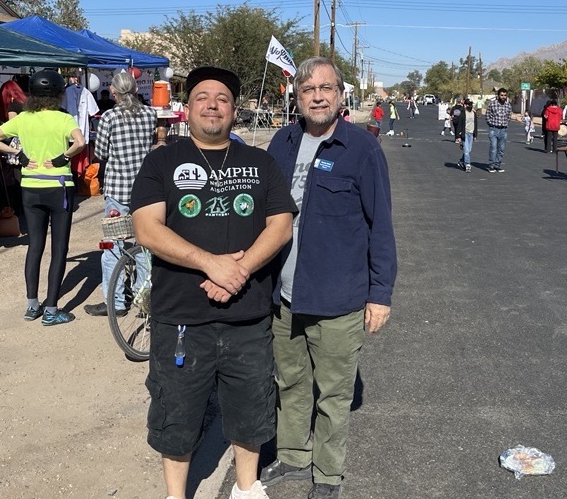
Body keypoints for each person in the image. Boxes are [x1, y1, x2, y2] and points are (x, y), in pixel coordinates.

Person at [129, 66, 296, 499]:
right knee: (176, 411)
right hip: (181, 317)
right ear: (188, 108)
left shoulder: (259, 162)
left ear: (234, 110)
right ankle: (175, 494)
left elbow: (280, 226)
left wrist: (236, 272)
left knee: (250, 407)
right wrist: (210, 264)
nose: (212, 104)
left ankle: (246, 487)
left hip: (248, 314)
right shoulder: (162, 160)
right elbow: (148, 228)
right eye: (203, 96)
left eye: (222, 98)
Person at [265, 57, 397, 499]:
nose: (318, 96)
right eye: (308, 90)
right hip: (283, 295)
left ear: (340, 95)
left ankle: (327, 475)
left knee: (334, 395)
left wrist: (380, 294)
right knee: (291, 383)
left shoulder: (362, 149)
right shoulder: (281, 143)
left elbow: (381, 225)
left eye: (326, 88)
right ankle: (293, 456)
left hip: (339, 297)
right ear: (297, 96)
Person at [0, 69, 86, 326]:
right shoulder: (64, 119)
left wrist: (19, 155)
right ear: (59, 94)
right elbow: (80, 142)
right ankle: (51, 309)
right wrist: (63, 158)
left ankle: (32, 305)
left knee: (35, 245)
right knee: (59, 248)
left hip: (30, 187)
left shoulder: (23, 119)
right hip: (59, 186)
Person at [83, 71, 157, 317]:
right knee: (145, 244)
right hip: (145, 190)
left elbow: (101, 153)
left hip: (117, 190)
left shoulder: (109, 117)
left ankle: (115, 302)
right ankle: (142, 298)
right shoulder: (150, 114)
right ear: (136, 90)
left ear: (113, 92)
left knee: (113, 246)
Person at [484, 88, 512, 173]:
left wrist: (506, 123)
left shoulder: (508, 105)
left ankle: (497, 165)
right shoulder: (493, 104)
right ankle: (491, 165)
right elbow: (487, 115)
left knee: (501, 148)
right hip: (494, 129)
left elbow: (509, 116)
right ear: (498, 95)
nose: (503, 97)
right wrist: (491, 124)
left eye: (505, 95)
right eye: (501, 95)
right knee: (493, 147)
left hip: (503, 129)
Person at [457, 98, 477, 172]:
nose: (469, 105)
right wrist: (458, 136)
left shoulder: (474, 113)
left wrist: (475, 135)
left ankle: (462, 161)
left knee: (469, 150)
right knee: (466, 150)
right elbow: (459, 125)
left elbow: (475, 124)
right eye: (468, 104)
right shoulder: (462, 113)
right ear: (465, 105)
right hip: (464, 134)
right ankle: (467, 164)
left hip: (471, 134)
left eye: (470, 104)